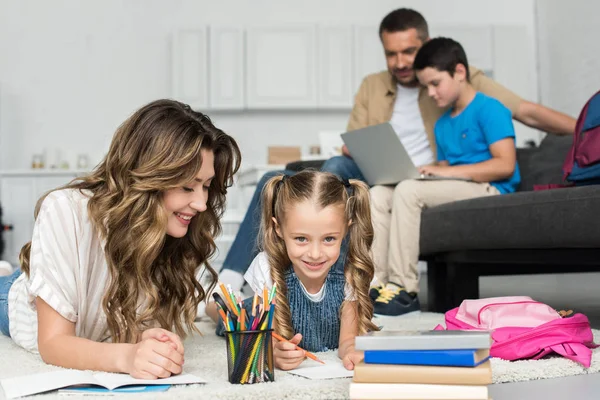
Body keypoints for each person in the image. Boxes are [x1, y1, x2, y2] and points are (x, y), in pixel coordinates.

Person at [217, 8, 576, 295]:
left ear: (428, 45)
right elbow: (352, 140)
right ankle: (230, 283)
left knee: (371, 192)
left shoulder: (454, 79)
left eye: (409, 51)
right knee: (275, 180)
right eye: (392, 54)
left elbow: (525, 111)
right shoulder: (373, 85)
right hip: (371, 169)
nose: (401, 62)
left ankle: (332, 286)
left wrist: (586, 129)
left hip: (425, 175)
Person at [0, 99, 241, 379]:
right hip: (15, 300)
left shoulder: (173, 228)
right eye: (188, 186)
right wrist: (127, 357)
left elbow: (196, 297)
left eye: (207, 187)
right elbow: (53, 343)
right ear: (148, 177)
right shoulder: (65, 209)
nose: (201, 203)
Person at [370, 37, 521, 316]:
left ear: (460, 73)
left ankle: (403, 289)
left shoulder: (491, 109)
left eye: (435, 83)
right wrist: (427, 172)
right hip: (457, 186)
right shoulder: (442, 123)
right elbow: (444, 169)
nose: (430, 93)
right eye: (426, 86)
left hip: (490, 188)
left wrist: (443, 171)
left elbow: (506, 165)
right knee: (378, 193)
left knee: (409, 190)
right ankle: (376, 284)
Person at [208, 171, 377, 371]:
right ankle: (210, 303)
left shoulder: (349, 271)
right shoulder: (267, 266)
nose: (315, 254)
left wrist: (352, 351)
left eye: (329, 239)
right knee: (229, 315)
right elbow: (265, 334)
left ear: (346, 230)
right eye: (301, 239)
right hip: (251, 314)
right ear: (278, 228)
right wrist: (273, 351)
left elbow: (348, 339)